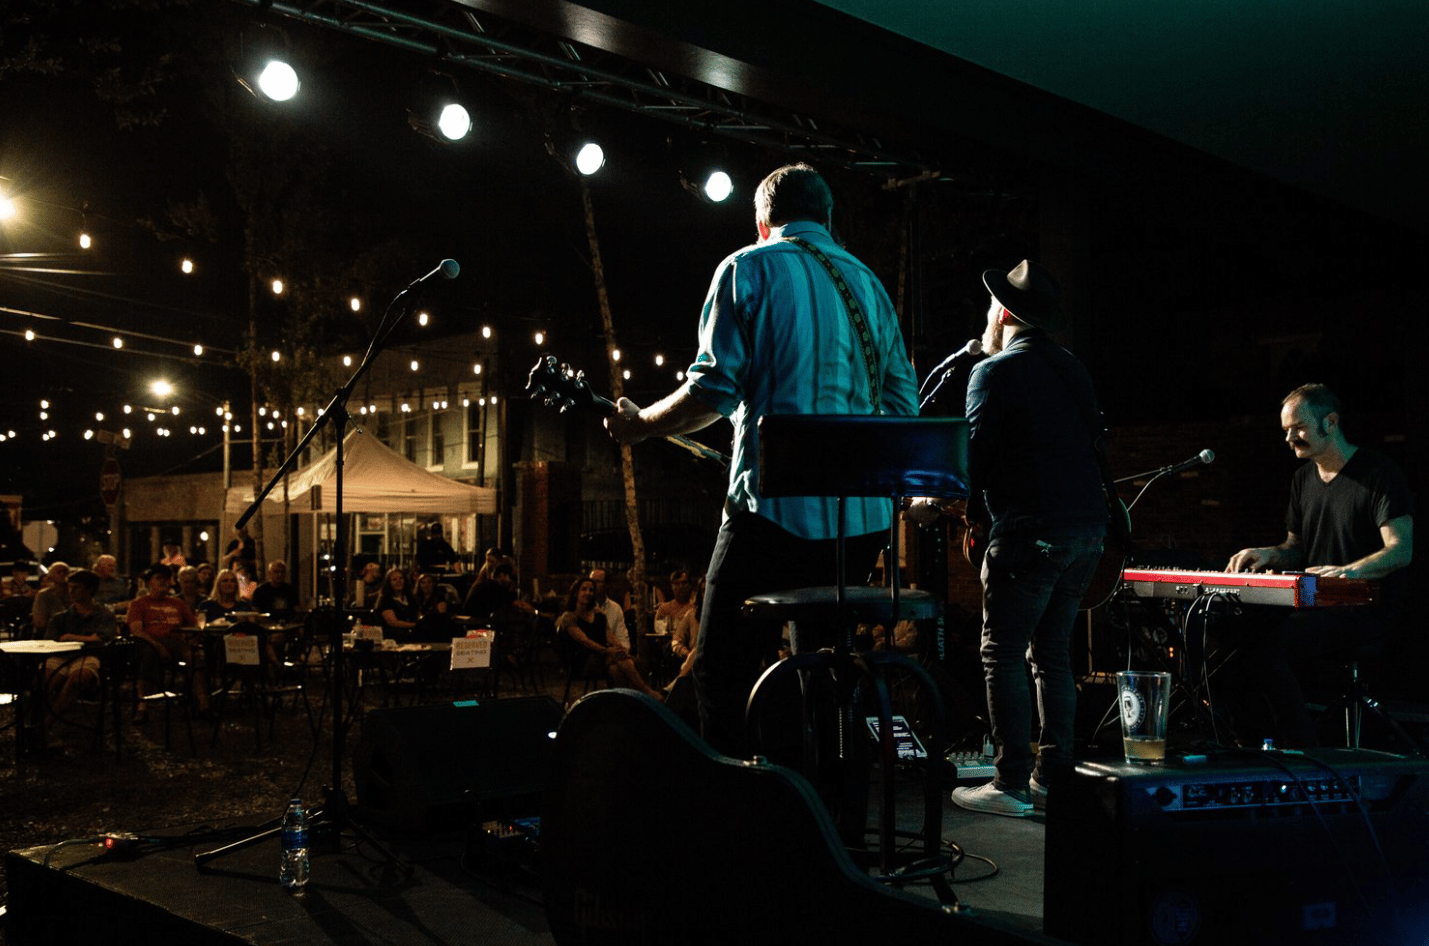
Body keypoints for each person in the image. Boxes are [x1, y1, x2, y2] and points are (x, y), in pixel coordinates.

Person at [605, 163, 918, 756]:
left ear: (761, 221)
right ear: (828, 220)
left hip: (774, 518)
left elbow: (714, 391)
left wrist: (640, 424)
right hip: (862, 529)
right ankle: (826, 807)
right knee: (820, 671)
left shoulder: (748, 267)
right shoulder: (870, 285)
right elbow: (902, 406)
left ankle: (734, 812)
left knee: (720, 668)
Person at [944, 260, 1107, 819]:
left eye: (992, 307)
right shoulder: (1072, 368)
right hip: (1087, 533)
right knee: (1053, 653)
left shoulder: (994, 372)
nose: (987, 316)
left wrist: (947, 504)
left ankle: (1009, 783)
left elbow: (975, 460)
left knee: (1003, 652)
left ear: (1006, 314)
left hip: (1031, 533)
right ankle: (1052, 779)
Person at [1223, 383, 1413, 746]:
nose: (1290, 438)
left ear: (1331, 421)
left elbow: (1401, 550)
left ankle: (1301, 748)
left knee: (1267, 647)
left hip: (1369, 606)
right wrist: (1271, 554)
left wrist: (1349, 571)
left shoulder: (1378, 473)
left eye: (1299, 428)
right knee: (1228, 637)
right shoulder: (1303, 479)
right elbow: (1296, 547)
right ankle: (1253, 743)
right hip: (1317, 601)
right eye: (1286, 431)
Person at [555, 576, 664, 700]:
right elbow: (584, 641)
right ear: (575, 593)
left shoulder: (598, 614)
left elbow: (610, 637)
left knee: (619, 668)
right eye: (583, 589)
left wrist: (619, 647)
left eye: (591, 590)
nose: (588, 593)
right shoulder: (569, 616)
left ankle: (621, 703)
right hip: (581, 660)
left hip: (602, 658)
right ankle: (646, 693)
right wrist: (608, 651)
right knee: (623, 661)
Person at [42, 569, 119, 739]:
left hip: (88, 656)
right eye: (70, 587)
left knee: (78, 679)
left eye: (77, 587)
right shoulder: (60, 618)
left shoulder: (103, 615)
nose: (71, 591)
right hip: (61, 656)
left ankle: (46, 722)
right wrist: (88, 639)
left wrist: (70, 637)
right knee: (45, 678)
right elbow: (50, 642)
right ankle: (40, 722)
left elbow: (102, 639)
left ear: (90, 590)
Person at [127, 562, 209, 719]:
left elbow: (193, 625)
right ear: (149, 582)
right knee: (147, 654)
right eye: (158, 578)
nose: (163, 581)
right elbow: (136, 631)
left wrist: (194, 636)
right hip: (149, 642)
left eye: (166, 578)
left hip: (176, 643)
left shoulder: (177, 603)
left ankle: (203, 704)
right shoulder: (139, 604)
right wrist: (158, 646)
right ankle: (142, 704)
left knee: (195, 657)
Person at [587, 568, 631, 652]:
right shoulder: (585, 606)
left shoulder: (615, 608)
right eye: (591, 581)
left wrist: (623, 652)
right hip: (594, 652)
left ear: (606, 584)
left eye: (597, 582)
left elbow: (622, 638)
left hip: (612, 652)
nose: (592, 585)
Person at [373, 567, 418, 636]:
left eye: (401, 578)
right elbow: (393, 622)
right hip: (394, 638)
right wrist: (415, 625)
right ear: (389, 583)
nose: (398, 581)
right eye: (394, 579)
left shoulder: (410, 599)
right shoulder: (386, 600)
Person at [30, 561, 71, 635]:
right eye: (58, 572)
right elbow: (40, 623)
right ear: (51, 575)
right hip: (49, 634)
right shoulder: (43, 595)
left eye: (65, 571)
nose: (62, 574)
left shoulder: (74, 594)